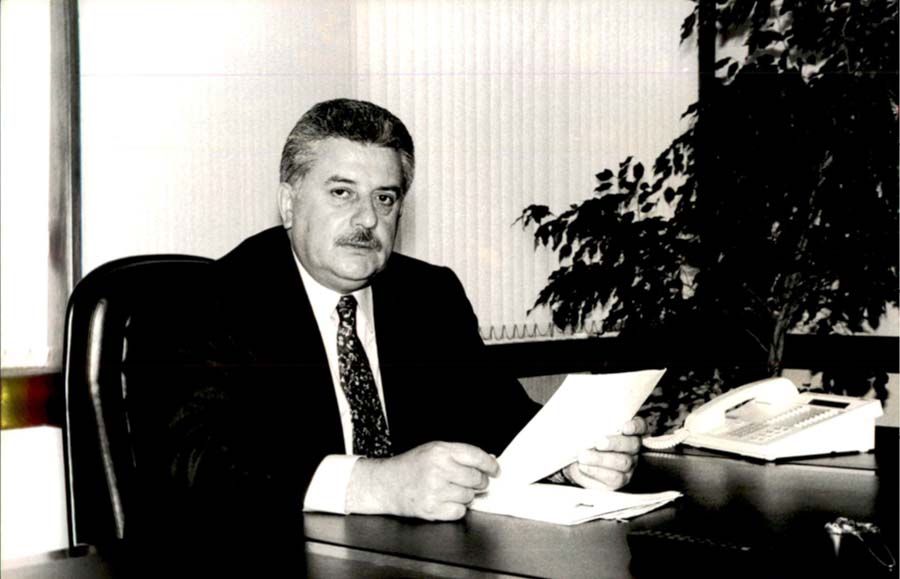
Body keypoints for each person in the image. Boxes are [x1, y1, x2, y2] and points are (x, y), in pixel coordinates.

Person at [130, 98, 647, 523]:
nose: (366, 219)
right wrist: (373, 484)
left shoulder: (428, 294)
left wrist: (570, 458)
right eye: (342, 193)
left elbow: (497, 416)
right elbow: (191, 462)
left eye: (385, 198)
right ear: (289, 202)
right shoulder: (203, 301)